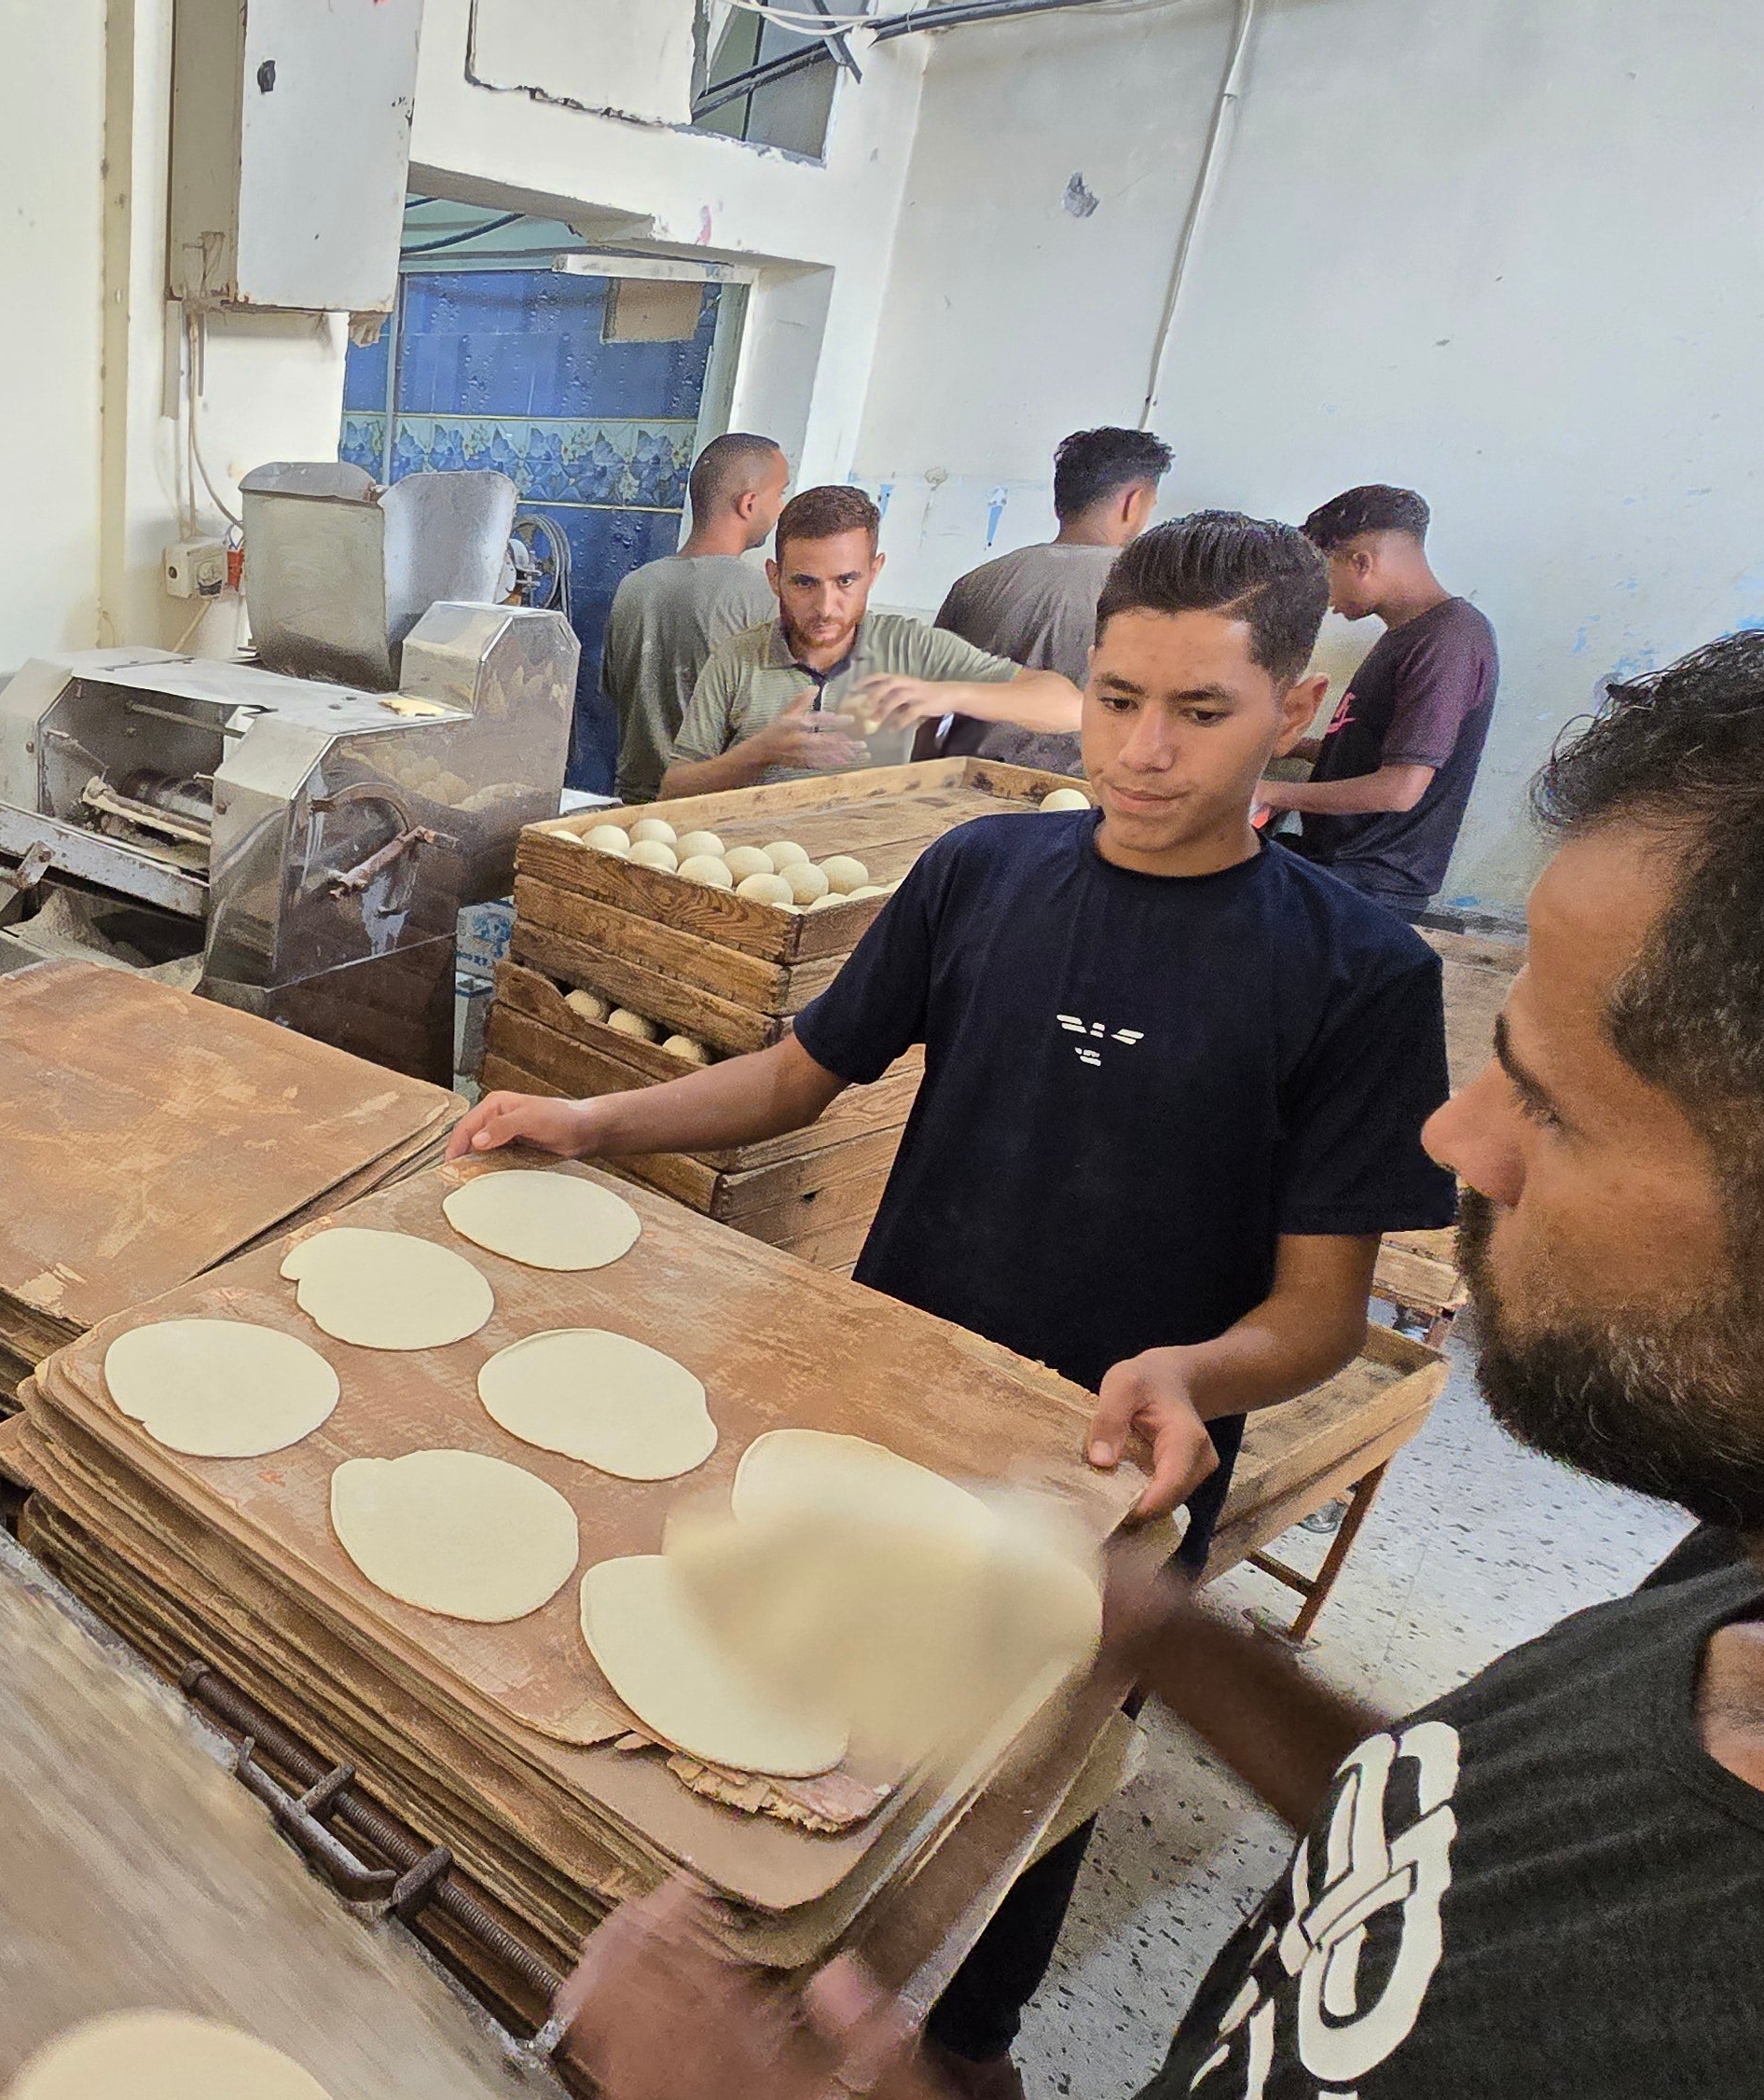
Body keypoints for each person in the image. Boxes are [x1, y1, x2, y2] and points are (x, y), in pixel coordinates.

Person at [558, 587, 1764, 2100]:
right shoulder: (1754, 1596)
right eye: (1117, 698)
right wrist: (1155, 1626)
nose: (1455, 1139)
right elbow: (1440, 1822)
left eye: (1550, 1103)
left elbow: (1315, 1312)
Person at [456, 513, 1458, 2093]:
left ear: (1298, 711)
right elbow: (800, 1073)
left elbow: (1319, 1311)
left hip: (1118, 1467)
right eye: (1118, 699)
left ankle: (972, 2046)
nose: (1142, 750)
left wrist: (1197, 1375)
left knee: (1026, 1788)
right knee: (811, 1730)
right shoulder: (984, 873)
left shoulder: (1357, 973)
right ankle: (756, 1985)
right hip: (889, 1395)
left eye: (1201, 712)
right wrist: (591, 1119)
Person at [651, 485, 1085, 800]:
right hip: (753, 870)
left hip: (869, 865)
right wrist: (761, 752)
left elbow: (1068, 707)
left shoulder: (912, 648)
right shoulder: (737, 659)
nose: (826, 607)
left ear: (874, 572)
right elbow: (674, 789)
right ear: (774, 577)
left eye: (846, 581)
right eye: (804, 583)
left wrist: (948, 694)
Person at [1258, 484, 1498, 916]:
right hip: (1338, 864)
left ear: (1361, 563)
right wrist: (1290, 745)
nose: (1324, 599)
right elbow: (1367, 753)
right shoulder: (1408, 635)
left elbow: (1400, 789)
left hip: (1371, 886)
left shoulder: (1448, 641)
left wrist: (1265, 791)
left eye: (1323, 575)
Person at [927, 426, 1177, 774]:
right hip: (1075, 792)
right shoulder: (1152, 592)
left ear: (1060, 502)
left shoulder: (976, 582)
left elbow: (929, 705)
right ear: (1132, 502)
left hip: (959, 781)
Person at [607, 433, 792, 804]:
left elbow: (615, 694)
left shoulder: (633, 587)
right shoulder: (764, 597)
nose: (781, 508)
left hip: (629, 811)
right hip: (708, 814)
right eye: (780, 494)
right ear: (749, 503)